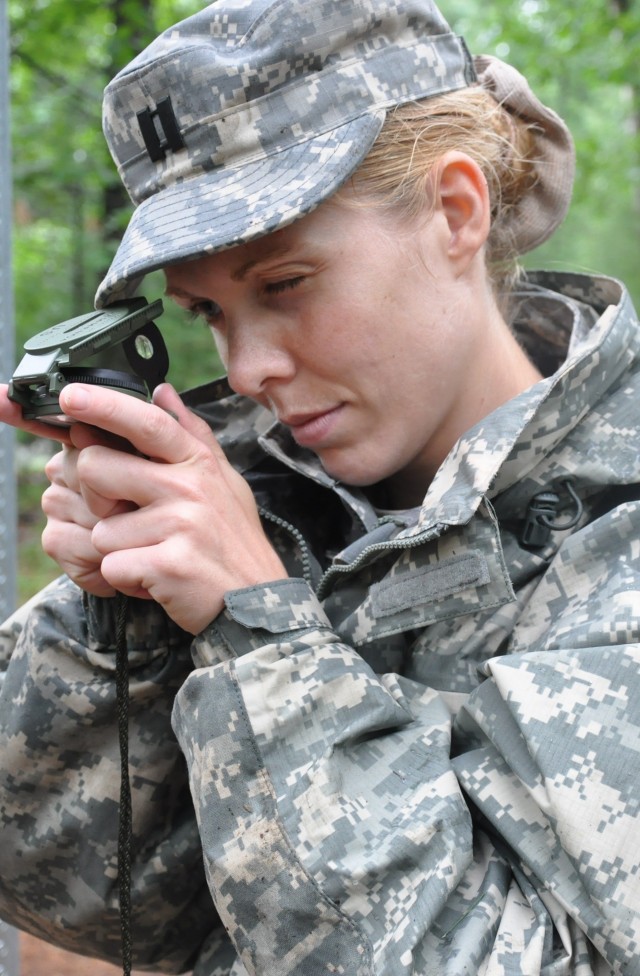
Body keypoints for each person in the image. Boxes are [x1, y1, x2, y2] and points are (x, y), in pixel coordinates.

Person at [1, 0, 639, 973]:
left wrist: (261, 636)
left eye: (287, 283)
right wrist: (119, 620)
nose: (247, 366)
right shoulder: (258, 492)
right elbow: (80, 905)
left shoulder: (617, 528)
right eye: (208, 311)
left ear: (455, 211)